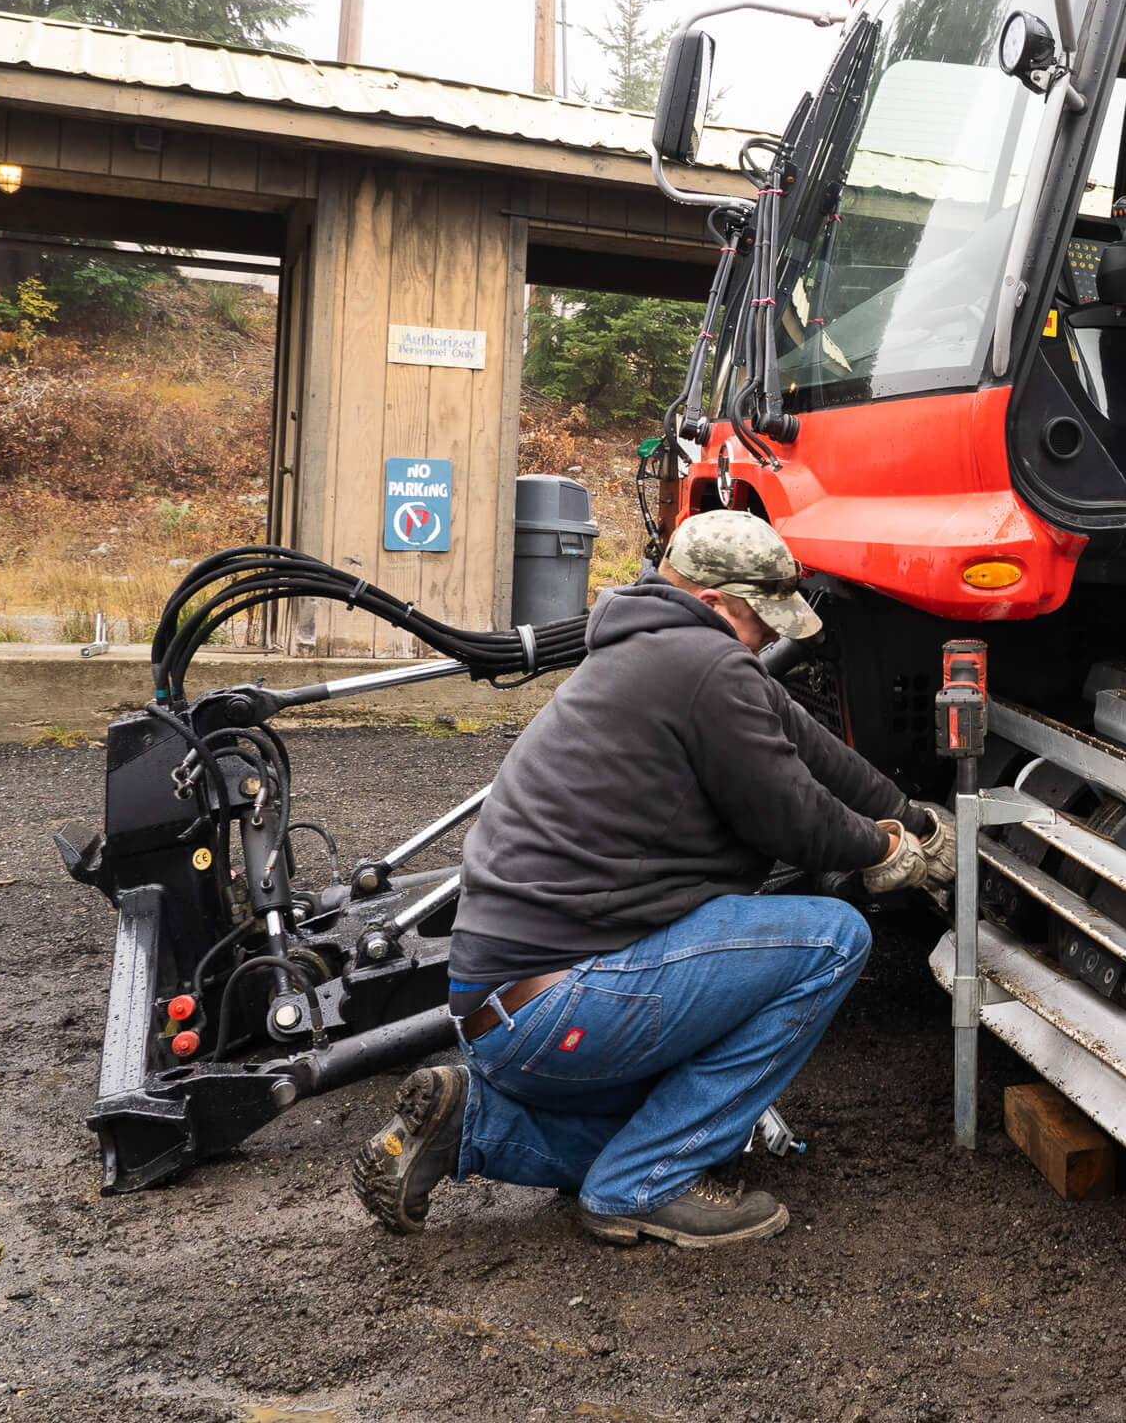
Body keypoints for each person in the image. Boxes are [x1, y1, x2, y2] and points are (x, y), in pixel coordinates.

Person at [351, 509, 953, 1250]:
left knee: (701, 1122)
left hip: (504, 1011)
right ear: (711, 603)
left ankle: (473, 1127)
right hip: (561, 1004)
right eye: (760, 619)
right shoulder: (703, 664)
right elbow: (791, 815)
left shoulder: (655, 653)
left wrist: (911, 815)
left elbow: (811, 747)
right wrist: (879, 847)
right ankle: (648, 1185)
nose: (770, 637)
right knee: (832, 939)